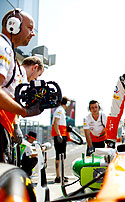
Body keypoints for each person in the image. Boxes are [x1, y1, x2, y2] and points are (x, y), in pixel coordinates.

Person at [0, 9, 42, 164]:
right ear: (13, 25)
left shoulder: (8, 50)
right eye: (30, 28)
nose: (33, 33)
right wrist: (24, 111)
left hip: (6, 126)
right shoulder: (3, 47)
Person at [51, 96, 70, 183]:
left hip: (62, 134)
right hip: (60, 135)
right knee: (59, 156)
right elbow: (55, 122)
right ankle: (58, 176)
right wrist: (59, 135)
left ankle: (61, 175)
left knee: (62, 156)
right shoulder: (59, 110)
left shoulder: (62, 110)